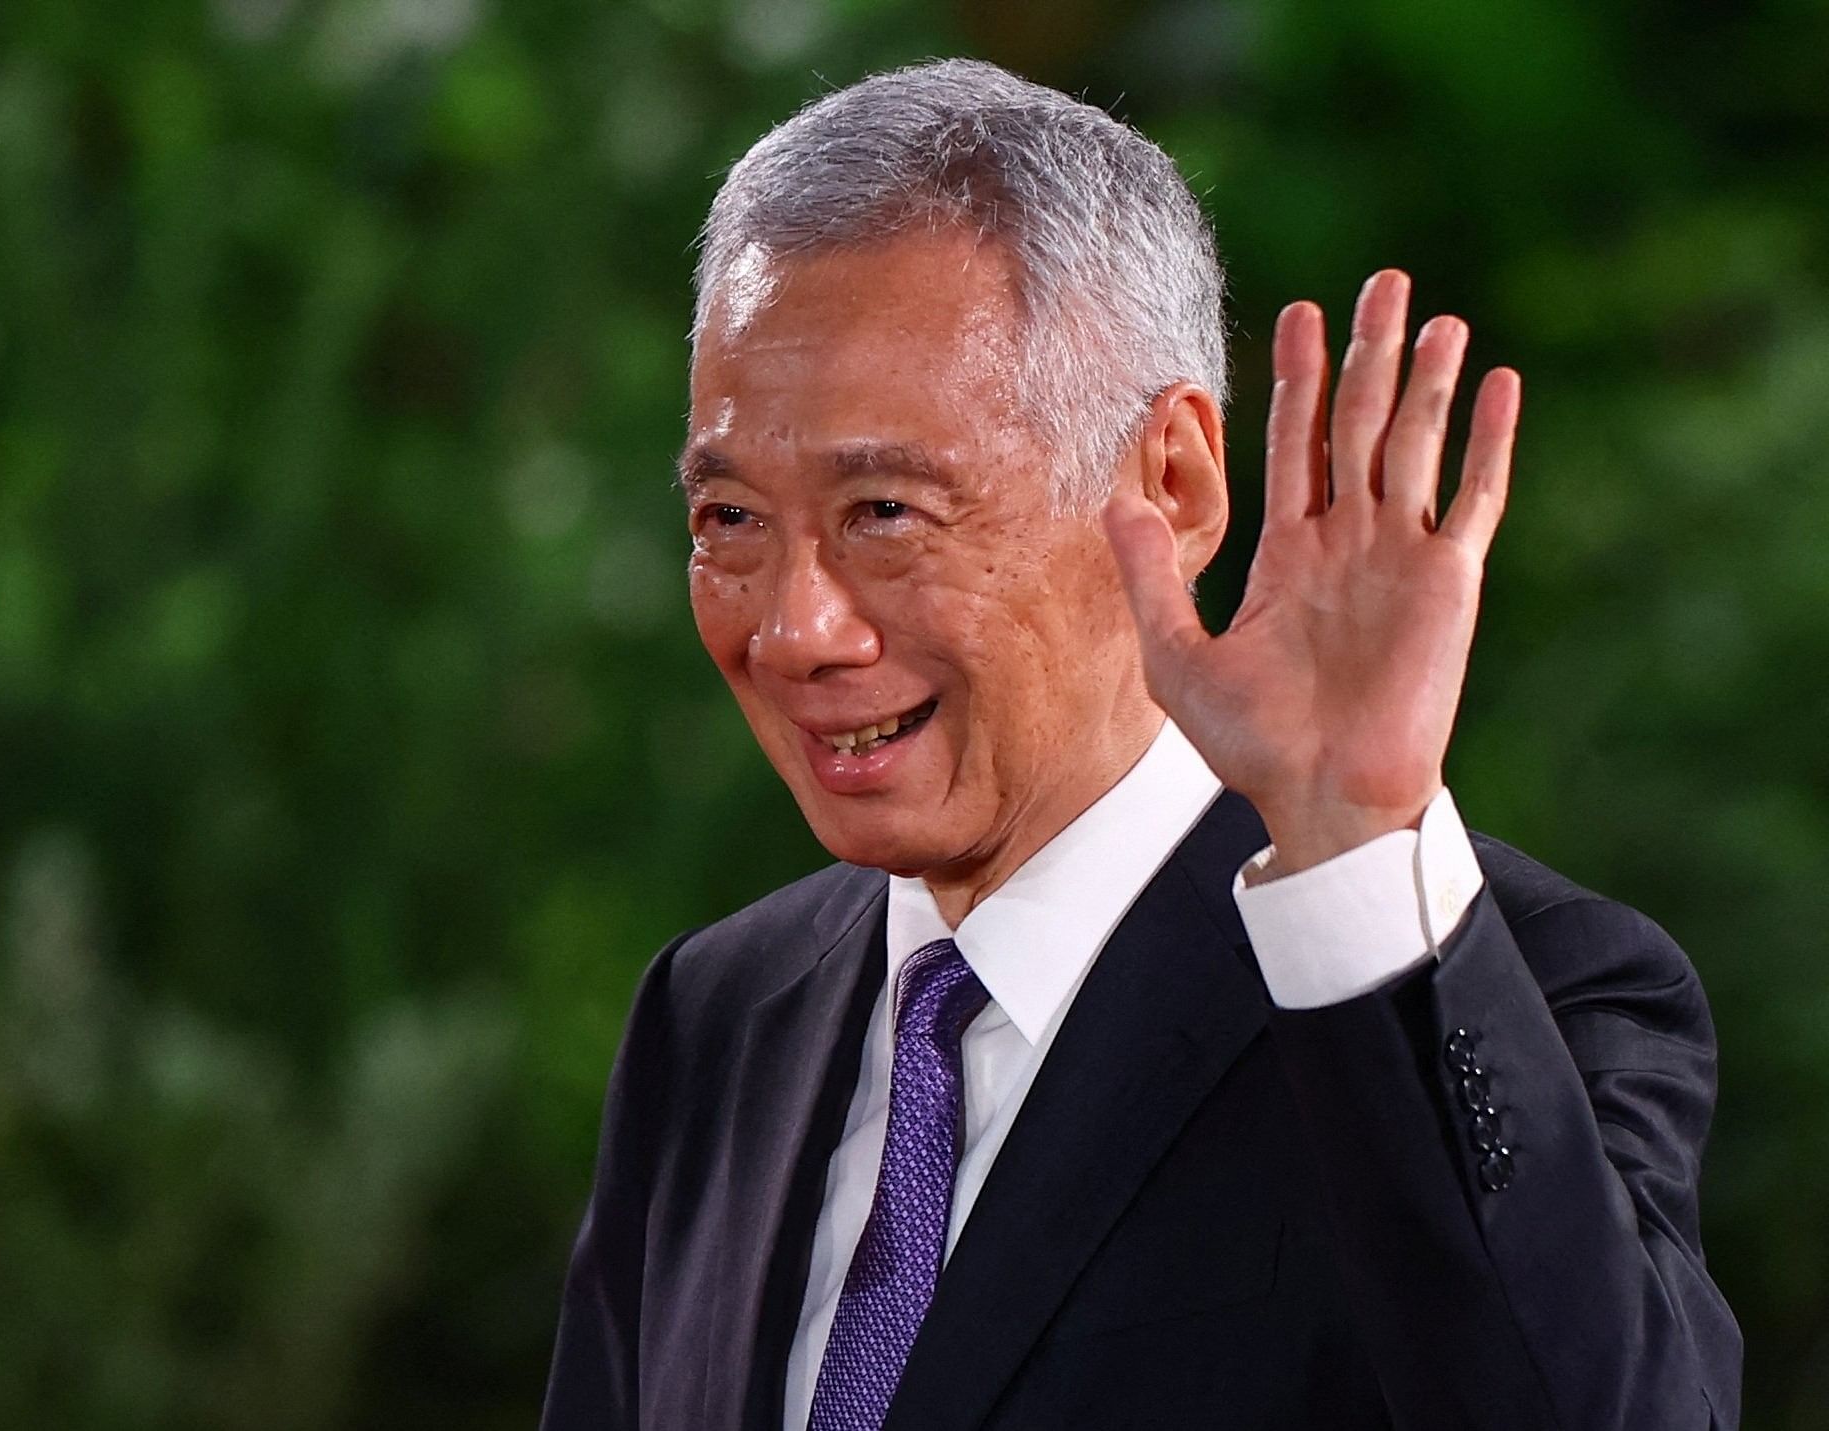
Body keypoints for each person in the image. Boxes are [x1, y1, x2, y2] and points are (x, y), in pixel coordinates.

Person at [539, 58, 1740, 1431]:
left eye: (883, 510)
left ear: (1168, 484)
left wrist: (1351, 848)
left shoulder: (1522, 995)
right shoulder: (712, 1019)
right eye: (731, 522)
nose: (796, 629)